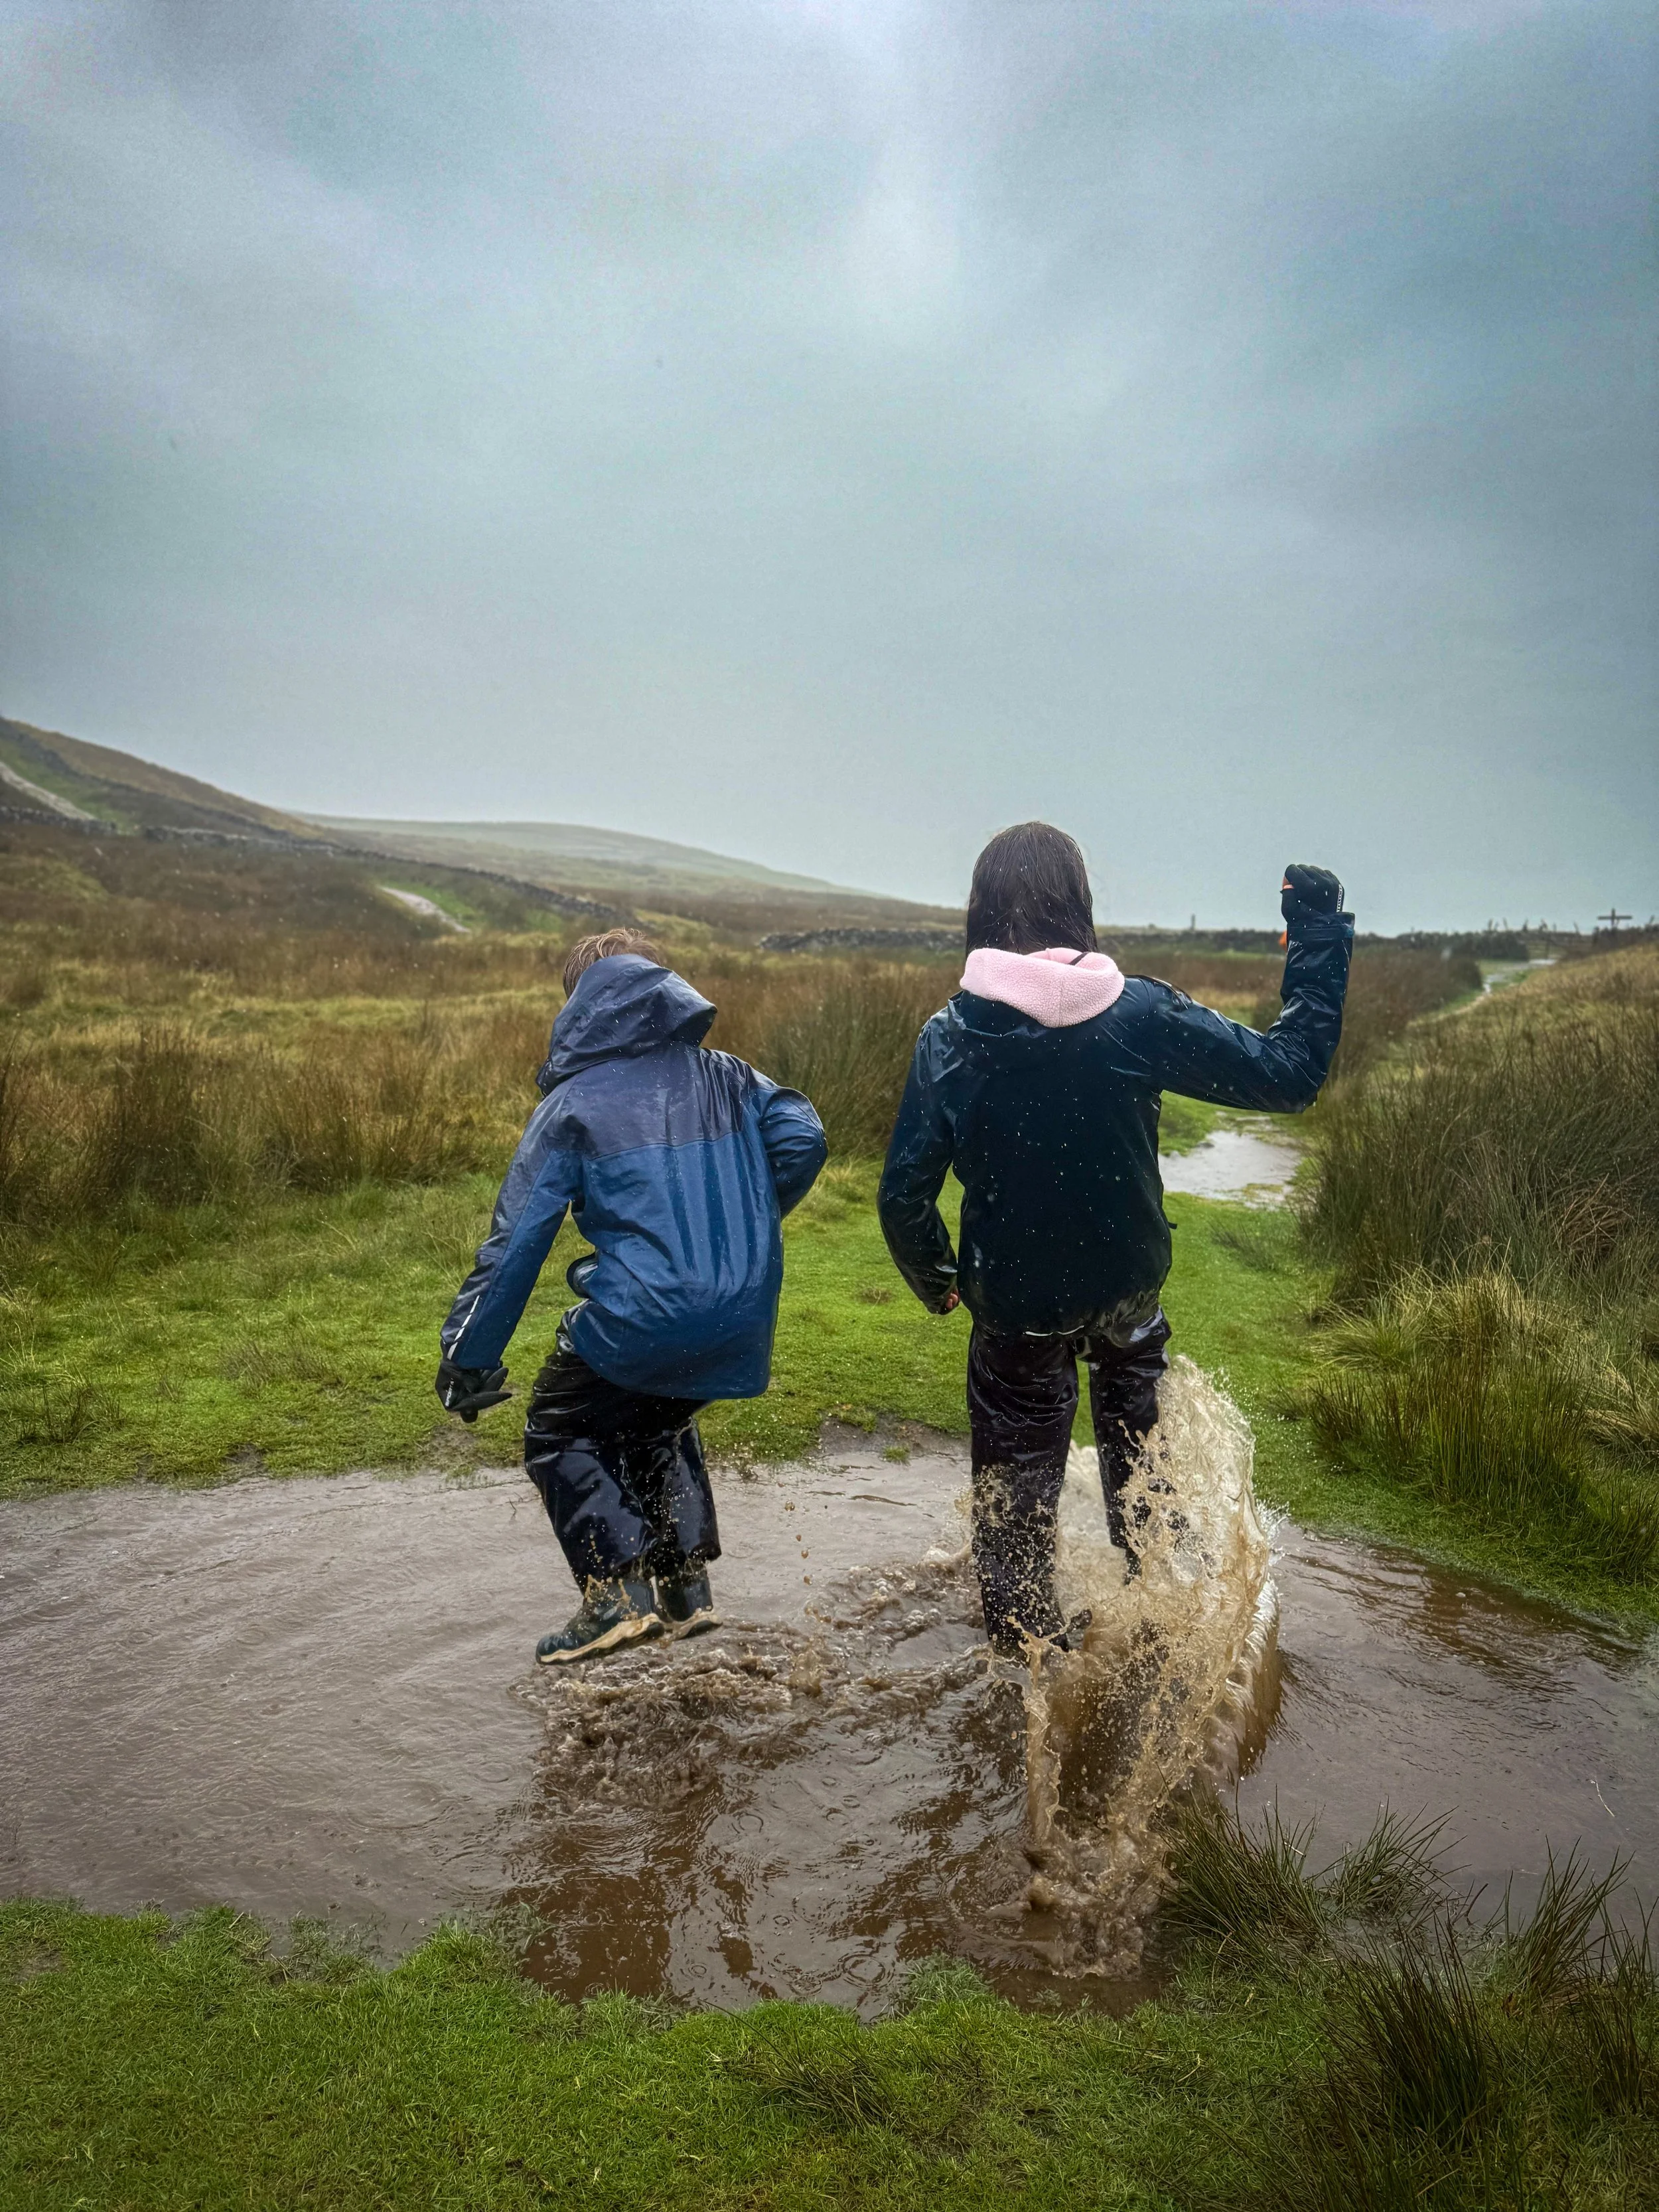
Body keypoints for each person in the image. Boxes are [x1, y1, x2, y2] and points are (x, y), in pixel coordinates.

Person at [878, 825, 1351, 1656]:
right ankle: (1162, 1635)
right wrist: (1314, 933)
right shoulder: (1139, 1013)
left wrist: (937, 1279)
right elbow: (1288, 1075)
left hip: (1015, 1308)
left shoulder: (949, 1036)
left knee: (1014, 1515)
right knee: (1145, 1484)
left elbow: (902, 1194)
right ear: (1077, 903)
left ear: (981, 910)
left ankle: (1025, 1669)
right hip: (1125, 1292)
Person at [436, 930, 827, 1664]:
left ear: (581, 1003)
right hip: (740, 1311)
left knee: (560, 1429)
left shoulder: (573, 1104)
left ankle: (613, 1596)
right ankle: (684, 1590)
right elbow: (804, 1137)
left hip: (642, 1314)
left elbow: (516, 1241)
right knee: (655, 1422)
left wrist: (467, 1355)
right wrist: (735, 1224)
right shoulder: (731, 1077)